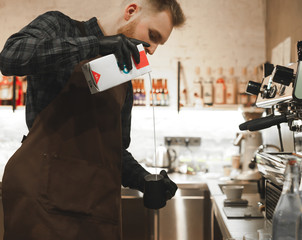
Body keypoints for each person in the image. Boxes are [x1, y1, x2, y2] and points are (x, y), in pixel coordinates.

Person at [0, 0, 185, 239]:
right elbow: (11, 56)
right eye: (152, 35)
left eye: (159, 42)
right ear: (131, 12)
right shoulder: (59, 26)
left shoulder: (123, 74)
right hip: (41, 202)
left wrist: (143, 178)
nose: (152, 49)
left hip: (94, 208)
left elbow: (113, 149)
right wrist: (95, 44)